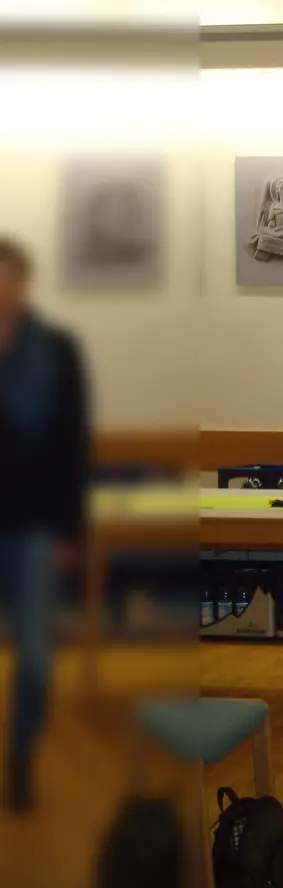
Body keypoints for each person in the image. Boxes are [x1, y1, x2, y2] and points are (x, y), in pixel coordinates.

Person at [0, 237, 89, 814]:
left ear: (24, 284)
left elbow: (74, 444)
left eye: (9, 279)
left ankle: (20, 759)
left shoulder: (56, 350)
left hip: (36, 528)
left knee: (35, 657)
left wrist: (69, 531)